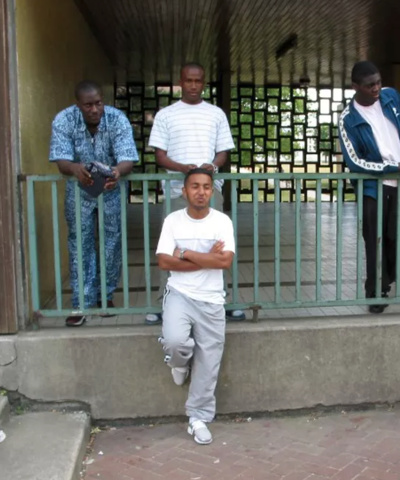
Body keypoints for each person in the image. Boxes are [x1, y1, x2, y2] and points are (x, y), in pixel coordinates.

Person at [145, 62, 244, 324]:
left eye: (198, 81)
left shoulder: (216, 114)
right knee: (171, 247)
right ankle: (165, 303)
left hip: (211, 191)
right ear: (180, 81)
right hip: (176, 191)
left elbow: (223, 152)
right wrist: (184, 170)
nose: (193, 85)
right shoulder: (166, 114)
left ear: (204, 83)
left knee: (218, 246)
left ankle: (224, 300)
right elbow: (159, 156)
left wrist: (210, 167)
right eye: (188, 80)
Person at [338, 60, 400, 313]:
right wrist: (397, 167)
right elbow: (355, 161)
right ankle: (376, 291)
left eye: (378, 82)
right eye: (370, 85)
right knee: (374, 240)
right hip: (373, 188)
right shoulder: (349, 118)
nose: (376, 88)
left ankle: (383, 280)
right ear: (355, 86)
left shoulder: (392, 98)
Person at [49, 80, 138, 327]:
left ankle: (105, 297)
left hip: (111, 189)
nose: (94, 109)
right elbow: (61, 161)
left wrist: (117, 172)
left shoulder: (117, 119)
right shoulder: (63, 120)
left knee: (111, 243)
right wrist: (75, 168)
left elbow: (128, 159)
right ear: (78, 104)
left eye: (98, 103)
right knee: (79, 244)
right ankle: (80, 302)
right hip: (78, 191)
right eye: (88, 105)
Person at [157, 168, 235, 445]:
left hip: (212, 299)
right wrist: (206, 258)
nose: (200, 192)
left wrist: (187, 253)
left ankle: (198, 418)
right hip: (179, 293)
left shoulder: (222, 221)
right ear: (184, 191)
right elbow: (165, 262)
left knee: (209, 361)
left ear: (212, 191)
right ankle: (178, 362)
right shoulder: (173, 221)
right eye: (195, 187)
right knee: (176, 342)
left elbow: (224, 262)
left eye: (205, 187)